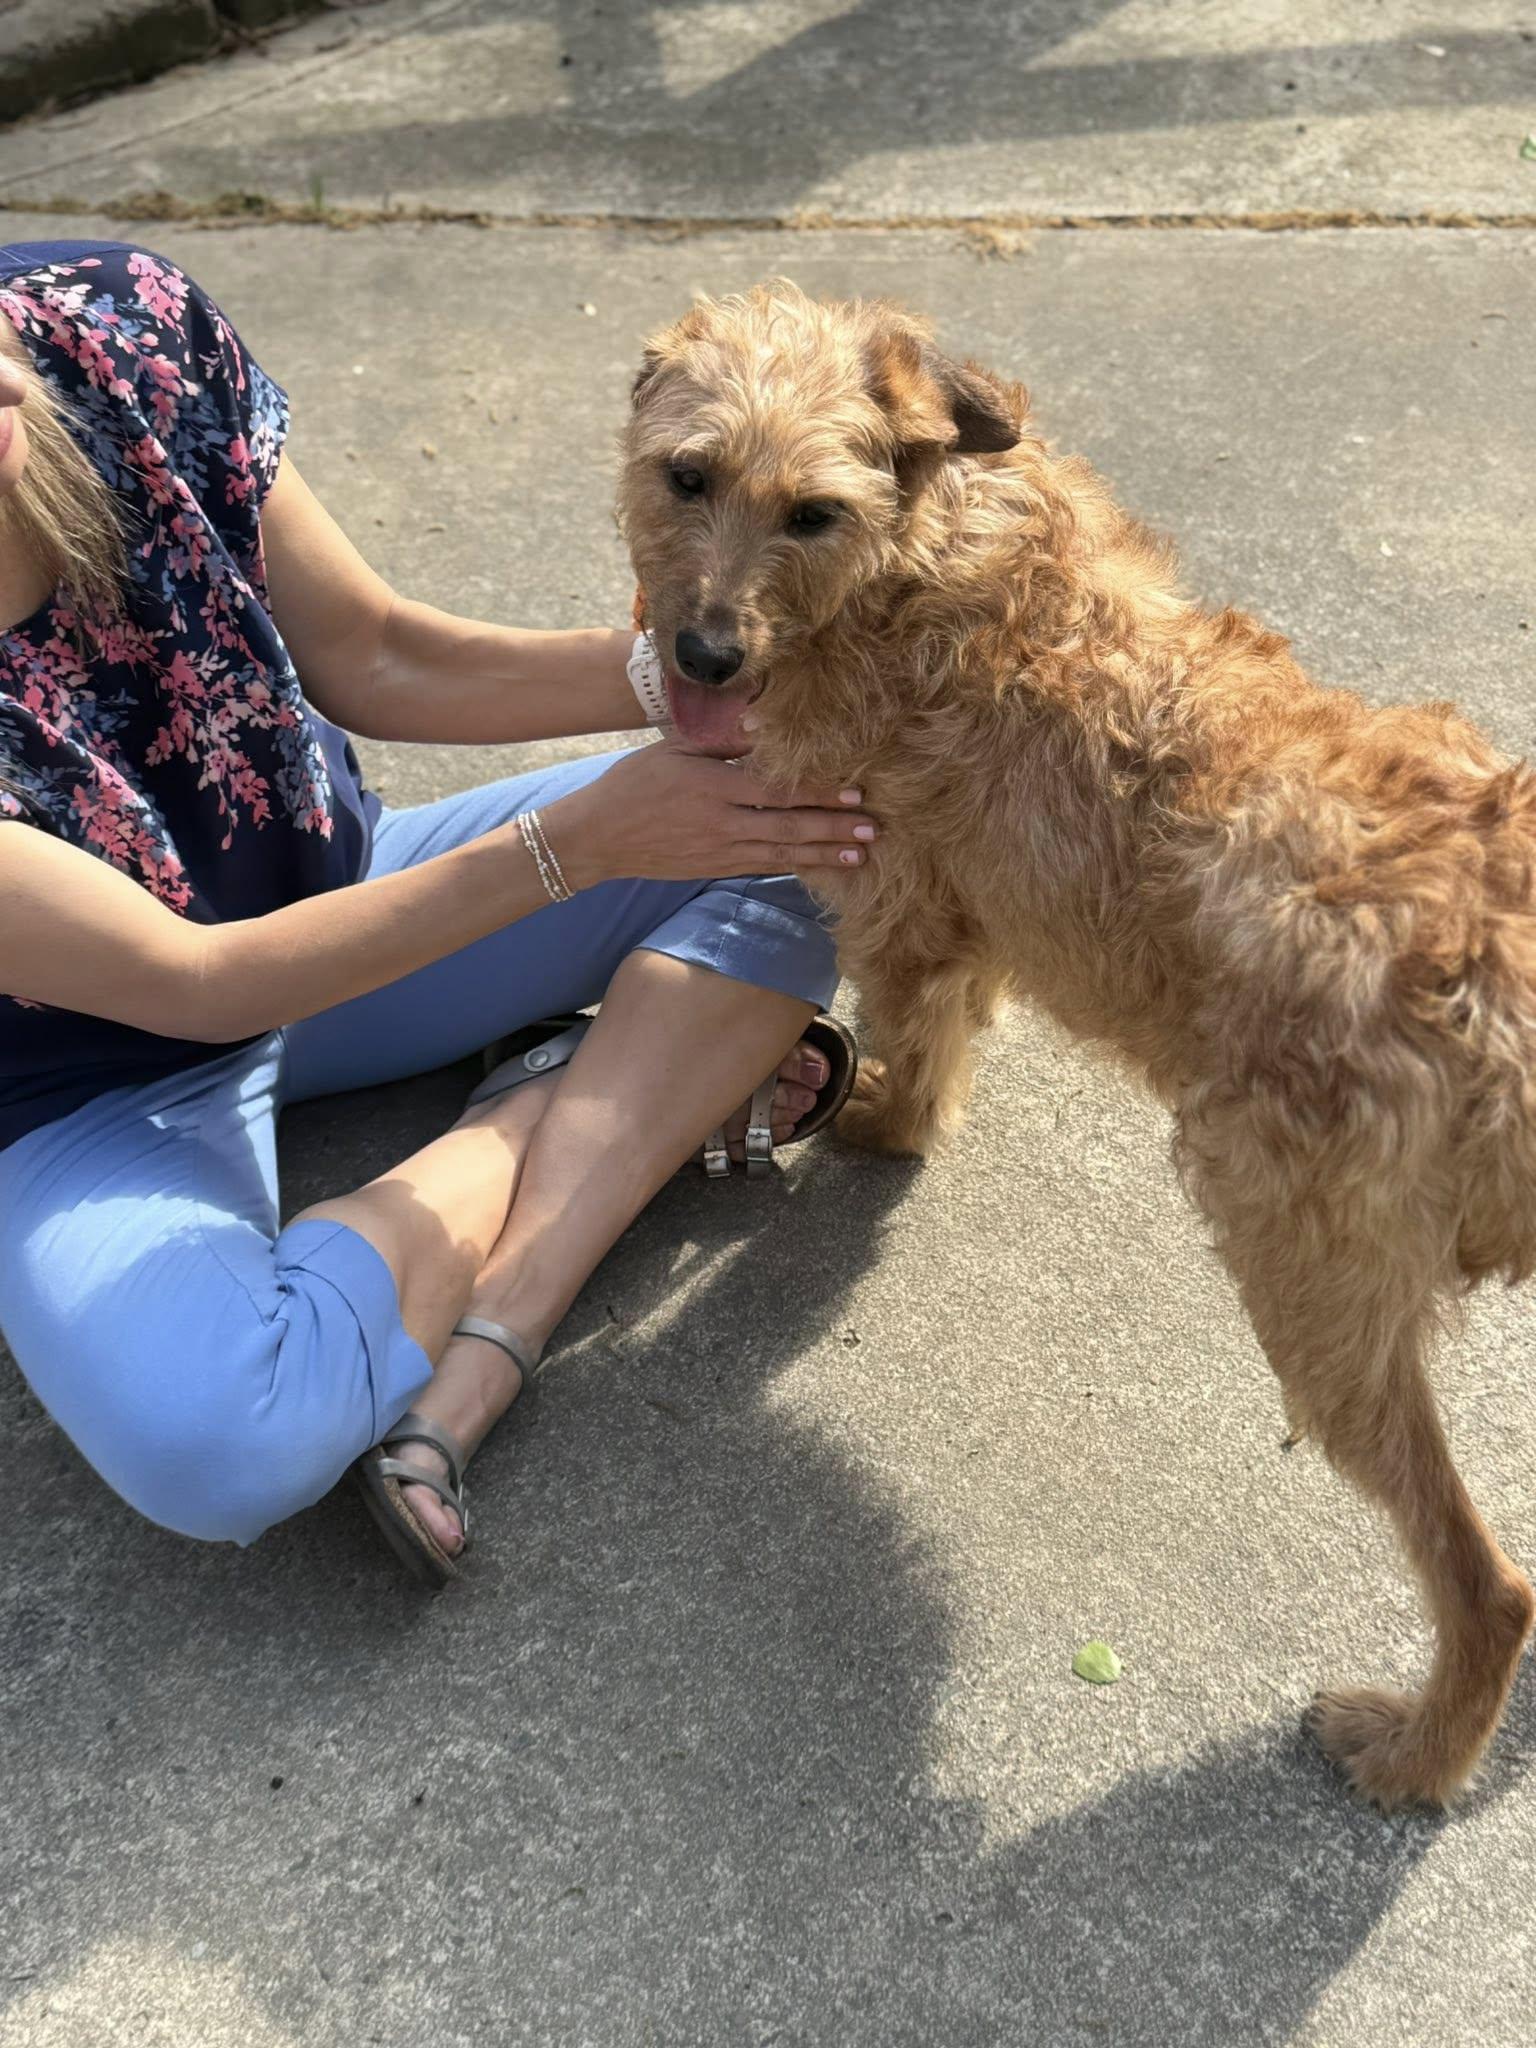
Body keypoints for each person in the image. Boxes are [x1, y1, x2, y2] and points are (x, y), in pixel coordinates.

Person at [0, 240, 874, 1584]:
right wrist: (576, 844)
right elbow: (194, 986)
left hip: (338, 890)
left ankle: (510, 1290)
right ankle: (554, 1093)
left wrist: (695, 685)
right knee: (221, 1442)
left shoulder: (109, 319)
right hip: (86, 1091)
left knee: (814, 820)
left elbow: (377, 651)